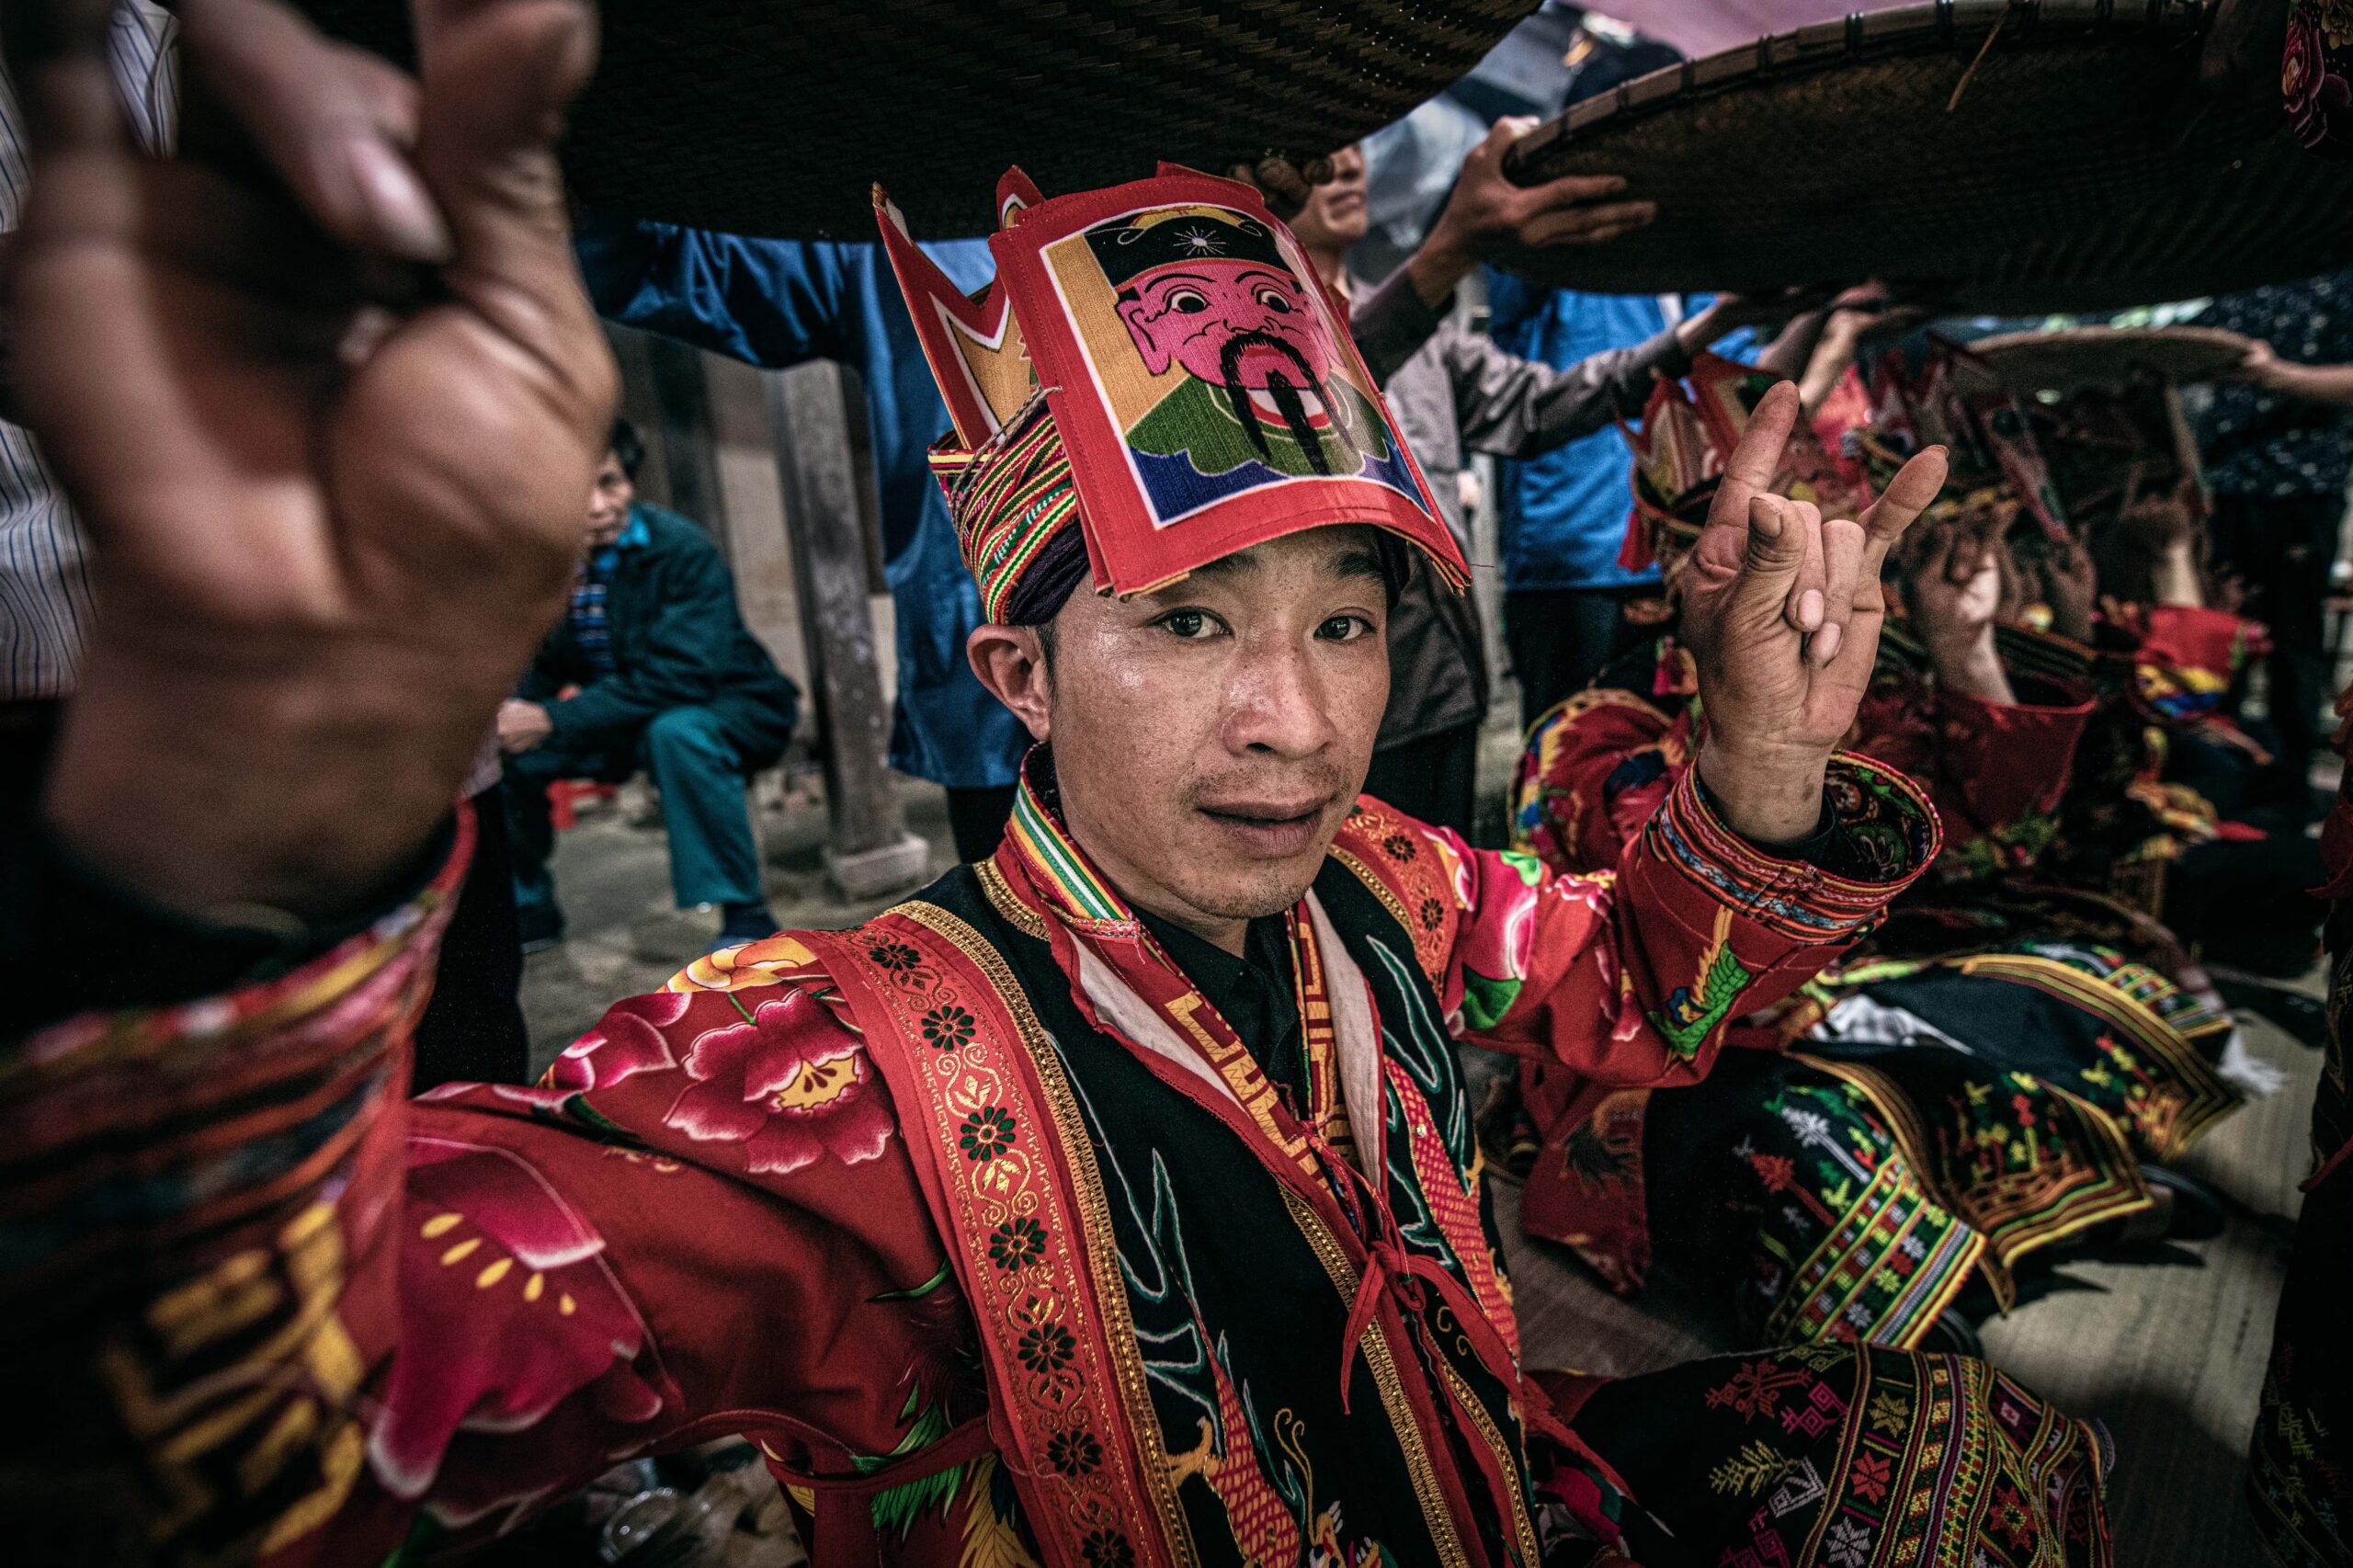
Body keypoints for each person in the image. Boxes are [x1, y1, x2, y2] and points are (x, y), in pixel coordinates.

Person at [1, 3, 2120, 1565]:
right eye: (1186, 622)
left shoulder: (1387, 880)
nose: (1296, 717)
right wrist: (227, 866)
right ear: (1015, 665)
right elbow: (252, 1421)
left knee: (1974, 1458)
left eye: (1342, 618)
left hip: (1497, 1488)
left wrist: (1754, 762)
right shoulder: (811, 1093)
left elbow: (1632, 996)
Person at [1289, 134, 1759, 834]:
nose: (1348, 162)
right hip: (1333, 695)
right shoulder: (1255, 333)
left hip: (1440, 678)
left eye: (1356, 144)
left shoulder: (1435, 339)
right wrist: (1453, 248)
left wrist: (1711, 328)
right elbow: (1335, 375)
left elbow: (1541, 406)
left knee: (1438, 893)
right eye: (1315, 148)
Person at [500, 419, 800, 951]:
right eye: (577, 489)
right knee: (501, 756)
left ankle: (745, 913)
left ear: (629, 479)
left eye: (609, 483)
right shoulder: (554, 564)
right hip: (627, 714)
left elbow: (683, 675)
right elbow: (542, 661)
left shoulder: (680, 549)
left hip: (729, 704)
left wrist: (552, 717)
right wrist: (515, 711)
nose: (596, 506)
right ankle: (528, 907)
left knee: (679, 733)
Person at [2194, 268, 2353, 822]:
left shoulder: (2337, 281)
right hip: (2223, 487)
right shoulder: (2242, 282)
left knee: (2292, 643)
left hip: (2299, 492)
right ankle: (2219, 776)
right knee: (2219, 633)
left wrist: (2277, 376)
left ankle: (2286, 791)